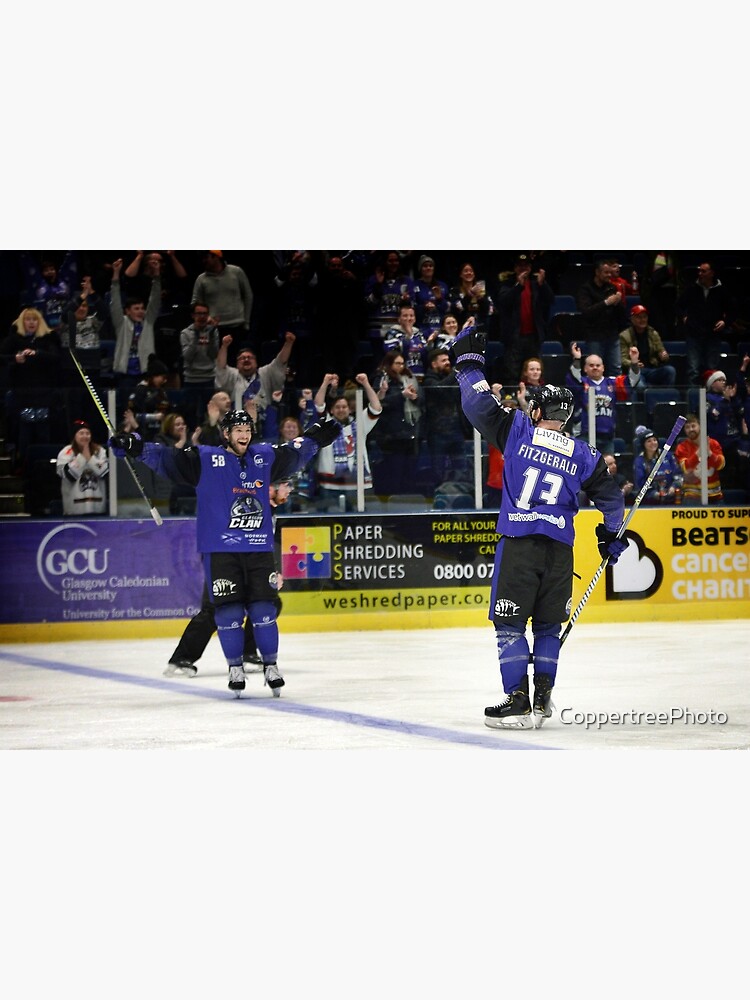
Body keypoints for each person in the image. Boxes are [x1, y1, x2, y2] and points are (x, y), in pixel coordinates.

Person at [450, 317, 626, 730]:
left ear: (537, 409)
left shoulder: (518, 431)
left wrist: (469, 366)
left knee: (509, 624)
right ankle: (543, 697)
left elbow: (476, 404)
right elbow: (612, 500)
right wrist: (610, 535)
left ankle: (517, 701)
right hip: (560, 552)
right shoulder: (584, 453)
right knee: (548, 625)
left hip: (520, 544)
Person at [109, 408, 340, 695]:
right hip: (220, 549)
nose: (244, 434)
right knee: (226, 611)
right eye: (238, 430)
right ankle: (234, 666)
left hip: (257, 547)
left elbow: (295, 451)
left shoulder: (264, 456)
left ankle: (270, 665)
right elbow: (168, 458)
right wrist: (136, 446)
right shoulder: (205, 458)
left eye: (247, 429)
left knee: (265, 608)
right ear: (226, 434)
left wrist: (317, 437)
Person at [166, 483, 290, 677]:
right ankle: (182, 659)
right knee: (215, 609)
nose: (287, 491)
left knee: (268, 603)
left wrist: (273, 570)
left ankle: (248, 654)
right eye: (283, 486)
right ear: (267, 487)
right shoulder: (242, 501)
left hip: (248, 564)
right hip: (223, 560)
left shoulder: (265, 509)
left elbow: (263, 545)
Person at [312, 371, 382, 510]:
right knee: (329, 524)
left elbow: (376, 408)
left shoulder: (360, 425)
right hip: (330, 484)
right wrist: (325, 383)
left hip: (358, 485)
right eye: (337, 407)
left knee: (357, 525)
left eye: (344, 407)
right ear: (331, 410)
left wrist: (366, 384)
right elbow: (318, 404)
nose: (341, 410)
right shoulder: (327, 424)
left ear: (350, 410)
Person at [0, 307, 62, 463]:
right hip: (22, 392)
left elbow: (56, 358)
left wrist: (38, 354)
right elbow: (2, 357)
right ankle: (22, 462)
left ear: (39, 322)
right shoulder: (13, 339)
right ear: (22, 322)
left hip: (44, 392)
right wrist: (15, 358)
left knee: (43, 430)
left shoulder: (48, 338)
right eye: (28, 319)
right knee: (24, 429)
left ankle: (45, 463)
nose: (31, 322)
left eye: (34, 319)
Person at [566, 341, 641, 454]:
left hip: (607, 436)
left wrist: (634, 362)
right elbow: (573, 380)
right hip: (584, 435)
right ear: (585, 368)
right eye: (591, 365)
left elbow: (630, 383)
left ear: (603, 368)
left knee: (607, 469)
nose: (595, 368)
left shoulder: (611, 383)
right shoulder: (583, 382)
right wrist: (577, 359)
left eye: (598, 365)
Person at [109, 257, 162, 405]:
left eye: (142, 308)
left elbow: (155, 300)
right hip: (125, 376)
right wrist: (115, 275)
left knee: (145, 407)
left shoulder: (148, 322)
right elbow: (115, 303)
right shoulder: (121, 323)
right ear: (127, 311)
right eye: (136, 309)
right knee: (126, 409)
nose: (141, 312)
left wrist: (157, 275)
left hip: (145, 375)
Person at [371, 349, 424, 496]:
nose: (401, 366)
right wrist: (402, 395)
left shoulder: (409, 377)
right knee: (394, 470)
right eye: (397, 363)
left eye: (402, 363)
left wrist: (414, 397)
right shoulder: (383, 378)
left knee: (409, 470)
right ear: (389, 364)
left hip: (410, 432)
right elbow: (378, 404)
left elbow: (422, 401)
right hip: (390, 434)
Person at [497, 253, 553, 385]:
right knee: (512, 372)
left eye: (526, 266)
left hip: (533, 337)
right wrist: (519, 286)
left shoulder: (536, 283)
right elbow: (503, 302)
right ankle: (512, 402)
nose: (523, 268)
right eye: (520, 266)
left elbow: (550, 300)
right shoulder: (508, 283)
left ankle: (536, 399)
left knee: (534, 372)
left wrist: (543, 284)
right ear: (515, 268)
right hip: (514, 337)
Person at [214, 331, 295, 422]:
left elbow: (280, 362)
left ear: (256, 363)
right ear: (237, 364)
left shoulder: (265, 373)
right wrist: (224, 346)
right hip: (237, 421)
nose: (246, 360)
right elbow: (221, 367)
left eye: (250, 357)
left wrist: (288, 343)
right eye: (242, 358)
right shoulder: (232, 374)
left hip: (263, 419)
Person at [422, 348, 470, 491]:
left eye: (448, 360)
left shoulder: (453, 379)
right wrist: (455, 373)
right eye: (443, 361)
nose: (448, 363)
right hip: (437, 433)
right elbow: (440, 389)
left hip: (456, 431)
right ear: (434, 364)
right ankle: (438, 499)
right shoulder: (429, 380)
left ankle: (462, 496)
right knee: (438, 470)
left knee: (461, 467)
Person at [676, 260, 730, 386]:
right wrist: (684, 317)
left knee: (712, 371)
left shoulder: (721, 291)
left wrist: (725, 322)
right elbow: (678, 306)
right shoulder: (692, 289)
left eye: (703, 271)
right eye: (699, 271)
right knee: (693, 370)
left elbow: (732, 310)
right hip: (694, 334)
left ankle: (712, 401)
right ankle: (694, 401)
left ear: (712, 273)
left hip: (713, 335)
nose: (700, 273)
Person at [575, 258, 628, 376]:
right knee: (595, 371)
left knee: (616, 369)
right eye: (606, 272)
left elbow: (620, 314)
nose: (609, 275)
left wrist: (618, 302)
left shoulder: (612, 288)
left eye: (610, 272)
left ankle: (615, 394)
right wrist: (606, 303)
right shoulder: (586, 289)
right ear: (597, 272)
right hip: (595, 337)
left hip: (612, 335)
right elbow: (586, 312)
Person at [191, 251, 253, 343]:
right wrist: (205, 318)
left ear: (216, 257)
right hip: (213, 329)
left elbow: (248, 296)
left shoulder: (236, 272)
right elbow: (195, 304)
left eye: (206, 257)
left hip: (237, 326)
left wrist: (246, 322)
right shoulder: (201, 279)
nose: (203, 260)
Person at [363, 251, 415, 356]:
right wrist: (378, 285)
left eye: (396, 260)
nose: (393, 263)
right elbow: (368, 304)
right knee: (379, 362)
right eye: (390, 260)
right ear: (384, 262)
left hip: (399, 330)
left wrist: (406, 301)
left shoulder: (406, 281)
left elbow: (413, 306)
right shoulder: (373, 280)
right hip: (377, 331)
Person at [55, 419, 109, 516]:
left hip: (98, 509)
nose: (85, 436)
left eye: (87, 433)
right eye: (81, 433)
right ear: (74, 436)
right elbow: (68, 476)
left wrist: (90, 458)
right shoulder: (65, 452)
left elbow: (105, 473)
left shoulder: (100, 451)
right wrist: (82, 458)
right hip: (74, 510)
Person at [179, 302, 221, 428]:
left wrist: (212, 334)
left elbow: (214, 354)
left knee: (208, 414)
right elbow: (187, 356)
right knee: (190, 413)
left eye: (205, 314)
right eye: (199, 314)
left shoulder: (213, 331)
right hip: (191, 379)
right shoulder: (186, 333)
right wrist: (196, 336)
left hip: (208, 378)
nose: (202, 317)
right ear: (193, 315)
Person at [19, 252, 78, 331]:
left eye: (52, 269)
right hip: (45, 327)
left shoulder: (64, 283)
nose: (50, 272)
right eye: (46, 270)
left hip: (65, 325)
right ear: (42, 273)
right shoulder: (38, 286)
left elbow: (70, 263)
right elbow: (28, 265)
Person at [618, 304, 676, 386]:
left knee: (670, 370)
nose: (642, 320)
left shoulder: (653, 333)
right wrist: (633, 364)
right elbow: (622, 359)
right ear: (632, 319)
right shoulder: (624, 336)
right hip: (635, 371)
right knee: (640, 385)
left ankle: (667, 397)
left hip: (652, 370)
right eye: (639, 317)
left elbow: (661, 350)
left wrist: (663, 355)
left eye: (644, 317)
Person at [674, 413, 725, 504]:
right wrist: (699, 452)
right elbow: (686, 468)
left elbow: (721, 465)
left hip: (715, 495)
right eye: (687, 427)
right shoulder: (682, 447)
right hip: (692, 495)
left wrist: (709, 453)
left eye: (693, 426)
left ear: (700, 426)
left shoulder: (713, 443)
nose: (691, 429)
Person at [120, 354, 172, 441]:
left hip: (160, 433)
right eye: (163, 377)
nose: (165, 380)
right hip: (142, 432)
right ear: (154, 376)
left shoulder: (161, 391)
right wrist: (154, 417)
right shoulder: (140, 391)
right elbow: (132, 415)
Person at [383, 303, 435, 381]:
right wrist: (408, 336)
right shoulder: (392, 334)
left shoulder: (419, 335)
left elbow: (425, 356)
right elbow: (393, 356)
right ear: (399, 319)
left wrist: (429, 344)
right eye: (405, 316)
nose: (409, 318)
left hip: (421, 377)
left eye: (411, 315)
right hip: (401, 378)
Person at [632, 427, 680, 505]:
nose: (653, 443)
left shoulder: (668, 456)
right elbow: (640, 483)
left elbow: (678, 474)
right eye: (649, 441)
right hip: (650, 502)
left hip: (672, 498)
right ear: (643, 444)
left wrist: (673, 487)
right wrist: (654, 493)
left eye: (654, 440)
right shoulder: (639, 461)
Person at [449, 261, 495, 335]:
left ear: (474, 274)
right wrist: (469, 296)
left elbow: (490, 310)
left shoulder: (482, 290)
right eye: (466, 271)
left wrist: (480, 298)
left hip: (480, 329)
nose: (469, 273)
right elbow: (456, 309)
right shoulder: (455, 290)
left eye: (471, 271)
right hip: (461, 328)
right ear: (461, 274)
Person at [411, 255, 450, 336]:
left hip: (440, 328)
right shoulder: (414, 285)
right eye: (425, 266)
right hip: (422, 328)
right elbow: (412, 308)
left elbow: (448, 309)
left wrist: (439, 299)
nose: (428, 268)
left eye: (430, 266)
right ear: (420, 269)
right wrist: (423, 307)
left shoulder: (442, 286)